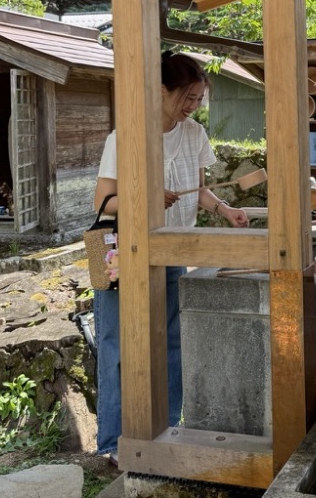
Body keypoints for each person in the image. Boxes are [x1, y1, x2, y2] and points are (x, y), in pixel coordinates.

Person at [92, 51, 249, 460]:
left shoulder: (194, 134)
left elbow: (200, 190)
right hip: (117, 250)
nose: (193, 105)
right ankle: (112, 443)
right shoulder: (125, 134)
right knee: (116, 344)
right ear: (161, 89)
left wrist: (224, 209)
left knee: (173, 342)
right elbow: (102, 202)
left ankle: (169, 427)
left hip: (172, 247)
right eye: (187, 96)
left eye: (199, 98)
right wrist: (142, 198)